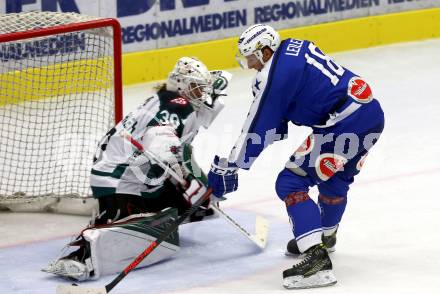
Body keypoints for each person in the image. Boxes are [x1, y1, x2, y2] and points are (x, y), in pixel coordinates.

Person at [208, 24, 385, 289]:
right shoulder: (294, 48)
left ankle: (316, 260)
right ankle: (324, 236)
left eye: (252, 57)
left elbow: (260, 121)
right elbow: (278, 118)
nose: (250, 64)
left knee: (291, 182)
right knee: (333, 180)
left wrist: (233, 164)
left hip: (343, 125)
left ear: (265, 51)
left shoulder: (276, 75)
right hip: (369, 115)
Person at [42, 57, 231, 281]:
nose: (201, 94)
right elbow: (159, 139)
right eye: (196, 88)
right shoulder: (177, 103)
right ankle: (78, 255)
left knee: (177, 203)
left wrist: (190, 184)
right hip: (119, 178)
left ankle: (181, 207)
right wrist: (189, 181)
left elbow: (174, 153)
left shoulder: (171, 100)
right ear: (181, 84)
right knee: (128, 229)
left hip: (139, 174)